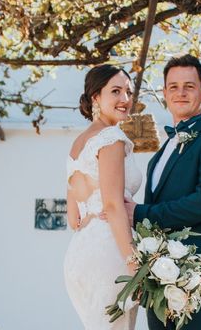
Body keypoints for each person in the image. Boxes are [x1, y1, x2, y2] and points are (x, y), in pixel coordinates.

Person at [124, 54, 201, 330]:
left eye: (189, 86)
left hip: (199, 280)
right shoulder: (159, 155)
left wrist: (140, 213)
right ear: (164, 93)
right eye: (173, 87)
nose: (181, 93)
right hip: (159, 284)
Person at [64, 64, 142, 330]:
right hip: (110, 250)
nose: (125, 100)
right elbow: (112, 204)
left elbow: (73, 218)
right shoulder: (111, 138)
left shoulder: (79, 144)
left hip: (81, 252)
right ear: (96, 96)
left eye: (129, 92)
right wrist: (135, 267)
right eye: (116, 91)